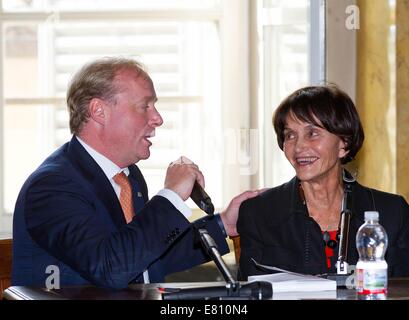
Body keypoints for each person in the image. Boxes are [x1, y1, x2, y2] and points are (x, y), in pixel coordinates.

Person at [12, 57, 258, 289]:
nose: (158, 119)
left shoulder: (129, 177)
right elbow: (111, 269)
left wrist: (224, 224)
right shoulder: (53, 186)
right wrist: (171, 195)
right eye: (145, 106)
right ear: (99, 111)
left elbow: (146, 256)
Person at [237, 85, 409, 280]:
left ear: (344, 143)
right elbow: (249, 294)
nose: (299, 147)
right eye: (290, 135)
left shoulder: (393, 213)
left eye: (312, 133)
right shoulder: (259, 213)